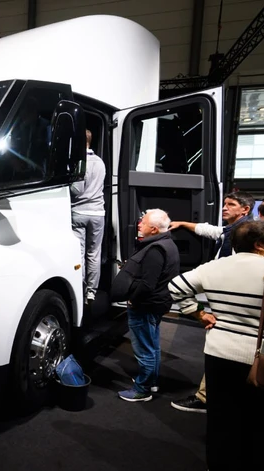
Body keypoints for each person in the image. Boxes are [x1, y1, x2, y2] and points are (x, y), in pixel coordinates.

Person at [168, 220, 264, 470]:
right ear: (259, 245)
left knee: (221, 417)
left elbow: (175, 286)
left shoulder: (214, 267)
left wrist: (198, 313)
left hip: (219, 354)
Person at [168, 190, 255, 413]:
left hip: (233, 300)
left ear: (245, 210)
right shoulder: (233, 230)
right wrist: (183, 223)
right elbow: (212, 231)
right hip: (231, 299)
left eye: (231, 204)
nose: (224, 207)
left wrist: (199, 310)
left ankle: (207, 398)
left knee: (220, 348)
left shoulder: (244, 234)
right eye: (225, 203)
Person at [112, 209, 180, 402]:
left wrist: (133, 299)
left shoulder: (155, 250)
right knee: (152, 345)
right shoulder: (167, 243)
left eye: (143, 222)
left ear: (154, 229)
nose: (139, 224)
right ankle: (152, 381)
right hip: (157, 304)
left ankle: (142, 389)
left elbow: (147, 284)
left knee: (144, 350)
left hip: (145, 306)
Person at [71, 129, 107, 304]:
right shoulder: (100, 162)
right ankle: (91, 292)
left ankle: (79, 288)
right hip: (98, 213)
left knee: (79, 253)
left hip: (79, 212)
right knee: (94, 253)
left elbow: (77, 190)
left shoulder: (79, 162)